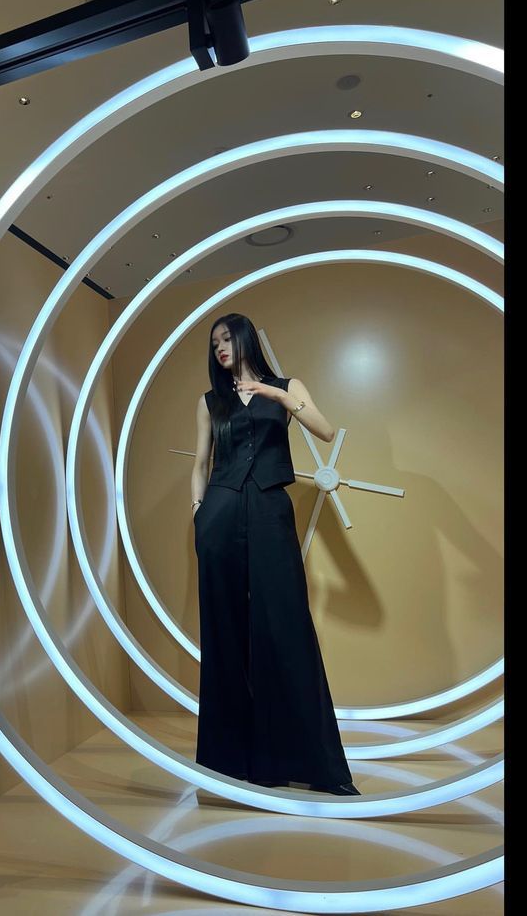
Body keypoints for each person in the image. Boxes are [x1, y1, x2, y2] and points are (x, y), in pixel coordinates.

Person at [191, 313, 360, 796]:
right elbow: (201, 462)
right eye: (214, 343)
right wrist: (198, 511)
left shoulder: (287, 386)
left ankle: (315, 766)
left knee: (284, 623)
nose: (221, 348)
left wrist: (279, 397)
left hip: (268, 507)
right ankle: (229, 764)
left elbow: (324, 431)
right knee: (224, 631)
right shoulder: (209, 402)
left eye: (227, 339)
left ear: (244, 339)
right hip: (219, 513)